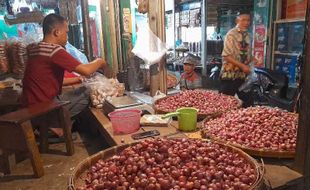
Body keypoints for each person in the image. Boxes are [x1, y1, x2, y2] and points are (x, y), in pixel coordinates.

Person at [21, 14, 106, 138]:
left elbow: (46, 81)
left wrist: (77, 79)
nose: (67, 37)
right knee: (89, 92)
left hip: (30, 105)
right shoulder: (54, 50)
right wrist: (100, 61)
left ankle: (55, 125)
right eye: (66, 33)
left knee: (77, 91)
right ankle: (56, 127)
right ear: (56, 32)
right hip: (44, 109)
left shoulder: (34, 48)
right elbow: (86, 70)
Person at [219, 10, 256, 107]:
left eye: (248, 20)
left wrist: (252, 59)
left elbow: (247, 54)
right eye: (243, 20)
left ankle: (245, 119)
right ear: (237, 21)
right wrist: (243, 66)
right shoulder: (231, 34)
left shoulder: (248, 35)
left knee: (249, 103)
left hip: (243, 76)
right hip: (230, 75)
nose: (246, 23)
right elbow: (226, 56)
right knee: (224, 103)